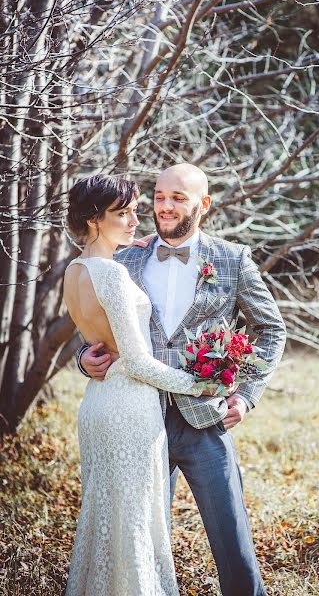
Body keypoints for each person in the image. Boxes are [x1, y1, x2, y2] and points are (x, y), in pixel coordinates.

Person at [77, 163, 287, 596]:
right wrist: (84, 358)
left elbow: (272, 330)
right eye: (159, 197)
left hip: (204, 418)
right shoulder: (123, 255)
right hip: (138, 418)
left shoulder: (233, 260)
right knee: (143, 537)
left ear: (203, 204)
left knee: (232, 539)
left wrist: (246, 396)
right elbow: (92, 320)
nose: (165, 206)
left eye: (178, 197)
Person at [63, 174, 210, 596]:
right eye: (122, 213)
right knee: (134, 525)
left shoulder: (76, 270)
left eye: (133, 210)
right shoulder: (110, 274)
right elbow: (138, 362)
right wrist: (201, 385)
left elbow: (100, 343)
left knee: (107, 521)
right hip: (129, 409)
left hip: (97, 404)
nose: (134, 220)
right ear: (93, 219)